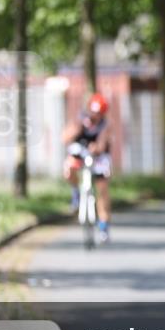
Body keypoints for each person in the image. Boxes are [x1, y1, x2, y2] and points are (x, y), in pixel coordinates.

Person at [62, 93, 114, 243]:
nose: (94, 116)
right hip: (79, 152)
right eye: (93, 111)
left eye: (98, 113)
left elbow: (102, 144)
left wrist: (96, 148)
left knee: (102, 188)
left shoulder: (105, 124)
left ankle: (103, 225)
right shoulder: (79, 119)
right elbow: (65, 138)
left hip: (98, 156)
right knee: (69, 168)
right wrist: (76, 130)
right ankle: (76, 192)